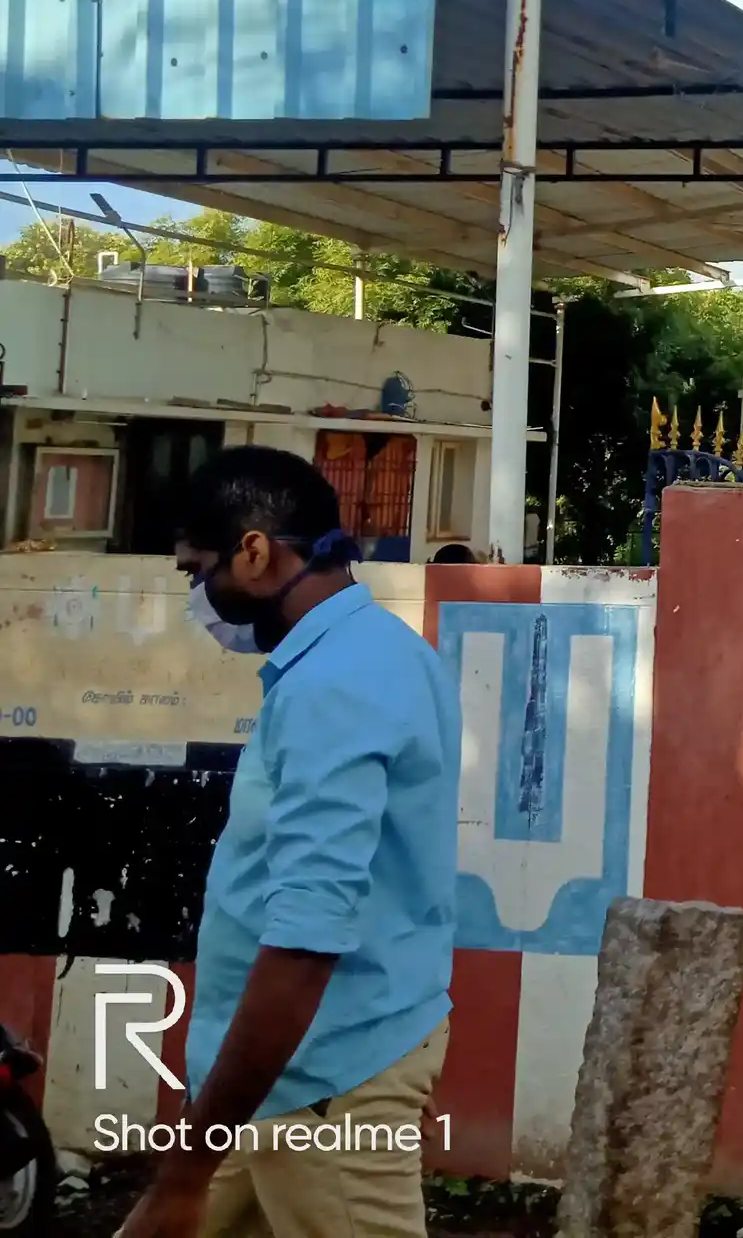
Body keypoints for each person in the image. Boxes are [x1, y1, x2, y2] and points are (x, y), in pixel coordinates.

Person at [118, 447, 459, 1238]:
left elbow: (307, 936)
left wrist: (189, 1165)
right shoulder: (379, 651)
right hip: (279, 1079)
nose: (197, 597)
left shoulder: (333, 684)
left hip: (322, 1080)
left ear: (255, 551)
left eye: (195, 571)